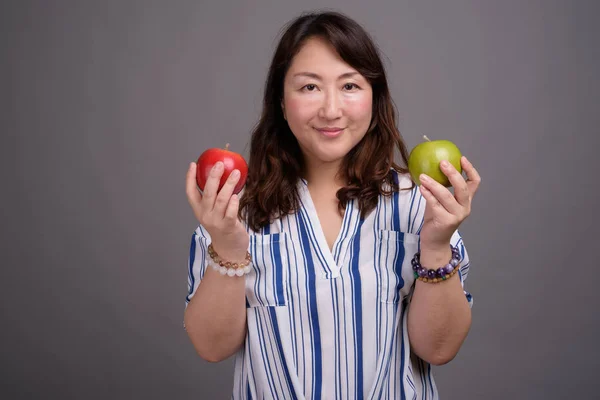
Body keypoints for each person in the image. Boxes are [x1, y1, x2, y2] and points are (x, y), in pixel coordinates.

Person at [183, 10, 481, 400]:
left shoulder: (420, 204)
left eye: (350, 86)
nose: (330, 110)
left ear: (375, 96)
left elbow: (439, 350)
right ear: (281, 99)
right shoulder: (233, 210)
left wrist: (438, 245)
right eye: (309, 87)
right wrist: (227, 248)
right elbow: (212, 347)